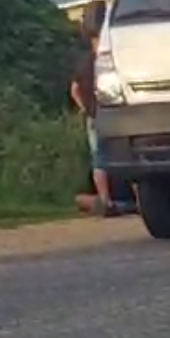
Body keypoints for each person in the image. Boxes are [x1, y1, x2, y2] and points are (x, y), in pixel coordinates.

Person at [68, 33, 120, 217]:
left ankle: (105, 201)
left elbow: (74, 89)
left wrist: (83, 107)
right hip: (111, 114)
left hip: (93, 116)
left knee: (99, 158)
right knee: (121, 153)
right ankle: (136, 200)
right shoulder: (110, 60)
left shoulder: (84, 63)